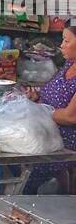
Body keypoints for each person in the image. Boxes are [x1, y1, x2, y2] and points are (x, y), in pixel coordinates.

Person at [24, 21, 76, 193]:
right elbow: (55, 96)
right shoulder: (69, 65)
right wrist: (37, 97)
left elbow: (70, 117)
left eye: (67, 41)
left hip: (66, 144)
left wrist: (41, 110)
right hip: (49, 134)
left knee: (29, 172)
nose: (61, 45)